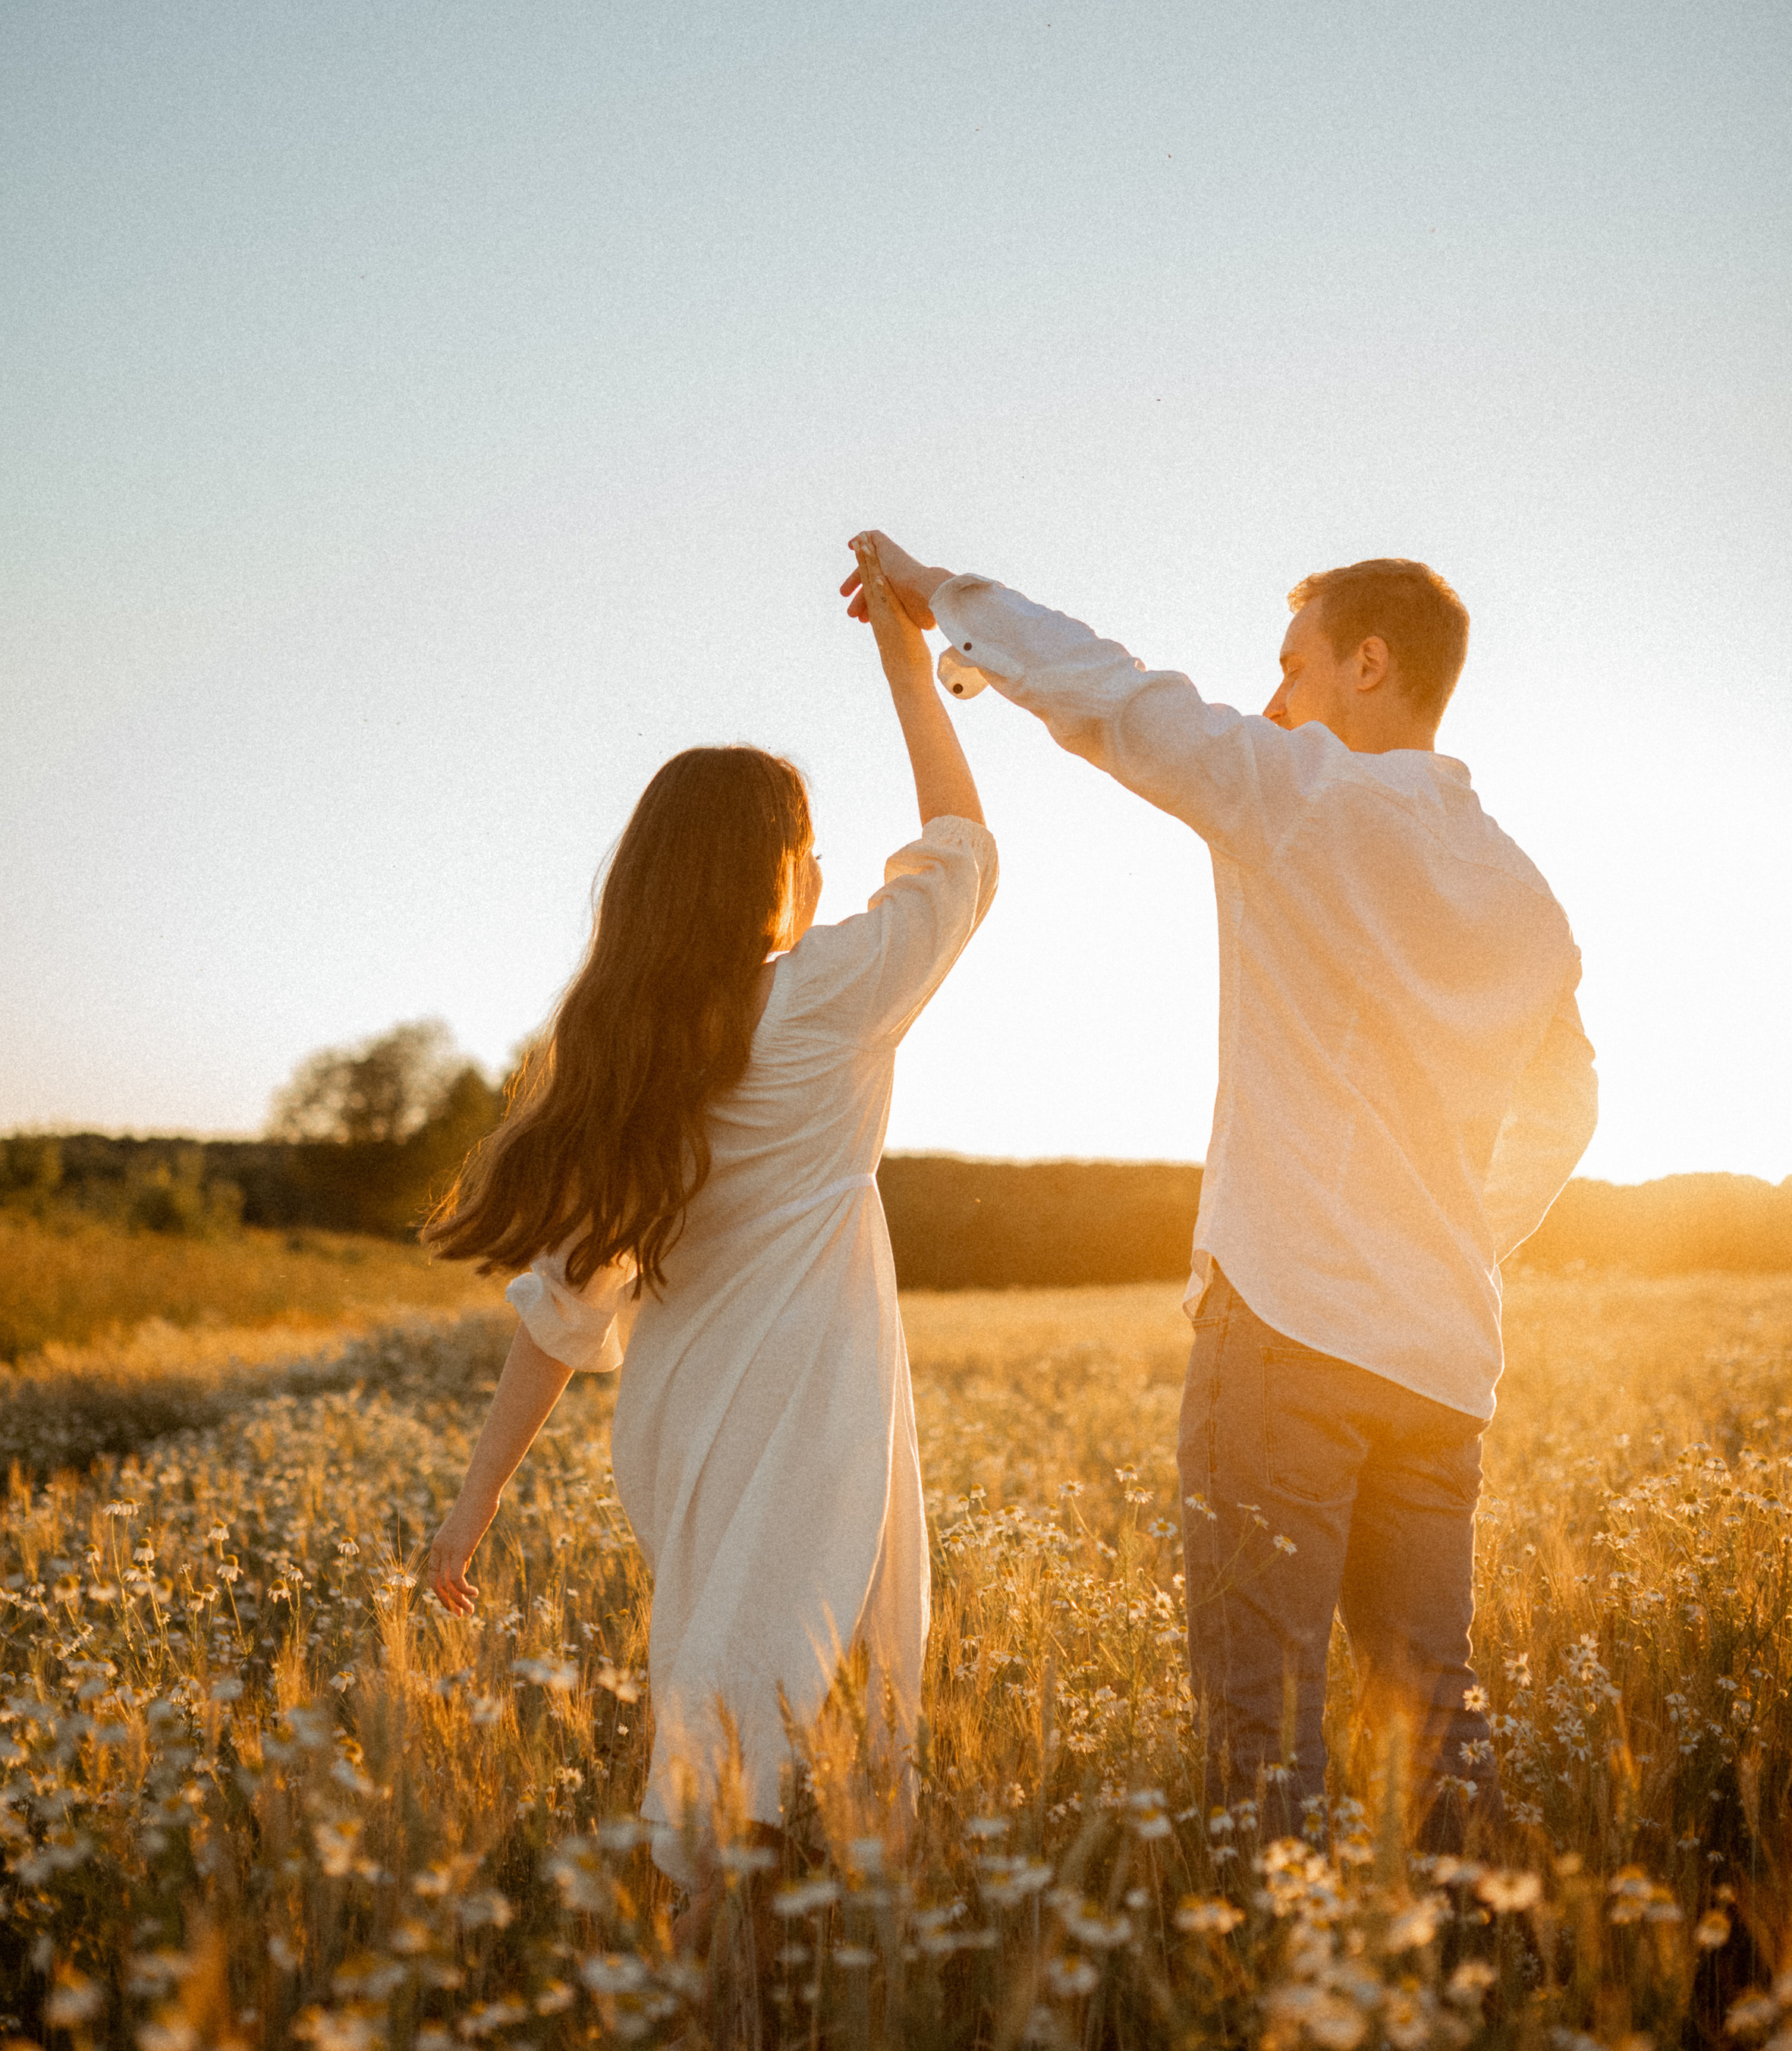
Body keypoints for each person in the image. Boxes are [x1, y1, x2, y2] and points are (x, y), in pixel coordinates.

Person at [843, 531, 1597, 1848]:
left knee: (1265, 1740)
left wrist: (941, 594)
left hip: (1291, 1336)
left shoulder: (1299, 793)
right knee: (1436, 1733)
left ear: (1370, 664)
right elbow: (1572, 1099)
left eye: (1295, 665)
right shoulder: (1523, 889)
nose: (1277, 698)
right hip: (1439, 1361)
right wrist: (1461, 1239)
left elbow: (1116, 696)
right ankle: (1468, 2006)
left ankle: (1280, 2029)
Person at [420, 548, 995, 1919]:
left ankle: (727, 2015)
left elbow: (559, 1310)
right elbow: (964, 856)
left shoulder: (630, 1055)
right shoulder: (825, 1000)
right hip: (813, 1420)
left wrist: (477, 1496)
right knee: (800, 1735)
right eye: (803, 847)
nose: (815, 867)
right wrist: (908, 664)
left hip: (682, 1431)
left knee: (728, 1714)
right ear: (772, 874)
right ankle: (753, 2022)